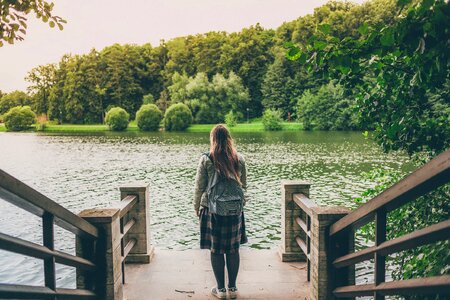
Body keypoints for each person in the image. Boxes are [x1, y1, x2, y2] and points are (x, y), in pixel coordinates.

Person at [194, 124, 248, 299]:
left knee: (216, 250)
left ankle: (221, 290)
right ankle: (232, 289)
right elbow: (243, 186)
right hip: (234, 211)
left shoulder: (207, 159)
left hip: (212, 211)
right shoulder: (239, 159)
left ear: (213, 139)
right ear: (229, 139)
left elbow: (199, 187)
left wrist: (197, 207)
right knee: (233, 250)